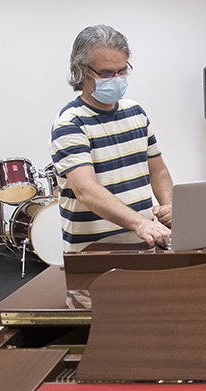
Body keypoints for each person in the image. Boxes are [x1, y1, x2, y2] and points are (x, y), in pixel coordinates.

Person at [51, 25, 172, 251]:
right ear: (81, 71)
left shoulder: (135, 112)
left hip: (144, 244)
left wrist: (170, 205)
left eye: (122, 71)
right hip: (93, 251)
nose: (116, 79)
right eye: (106, 73)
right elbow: (85, 190)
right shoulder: (71, 122)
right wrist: (139, 223)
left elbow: (159, 171)